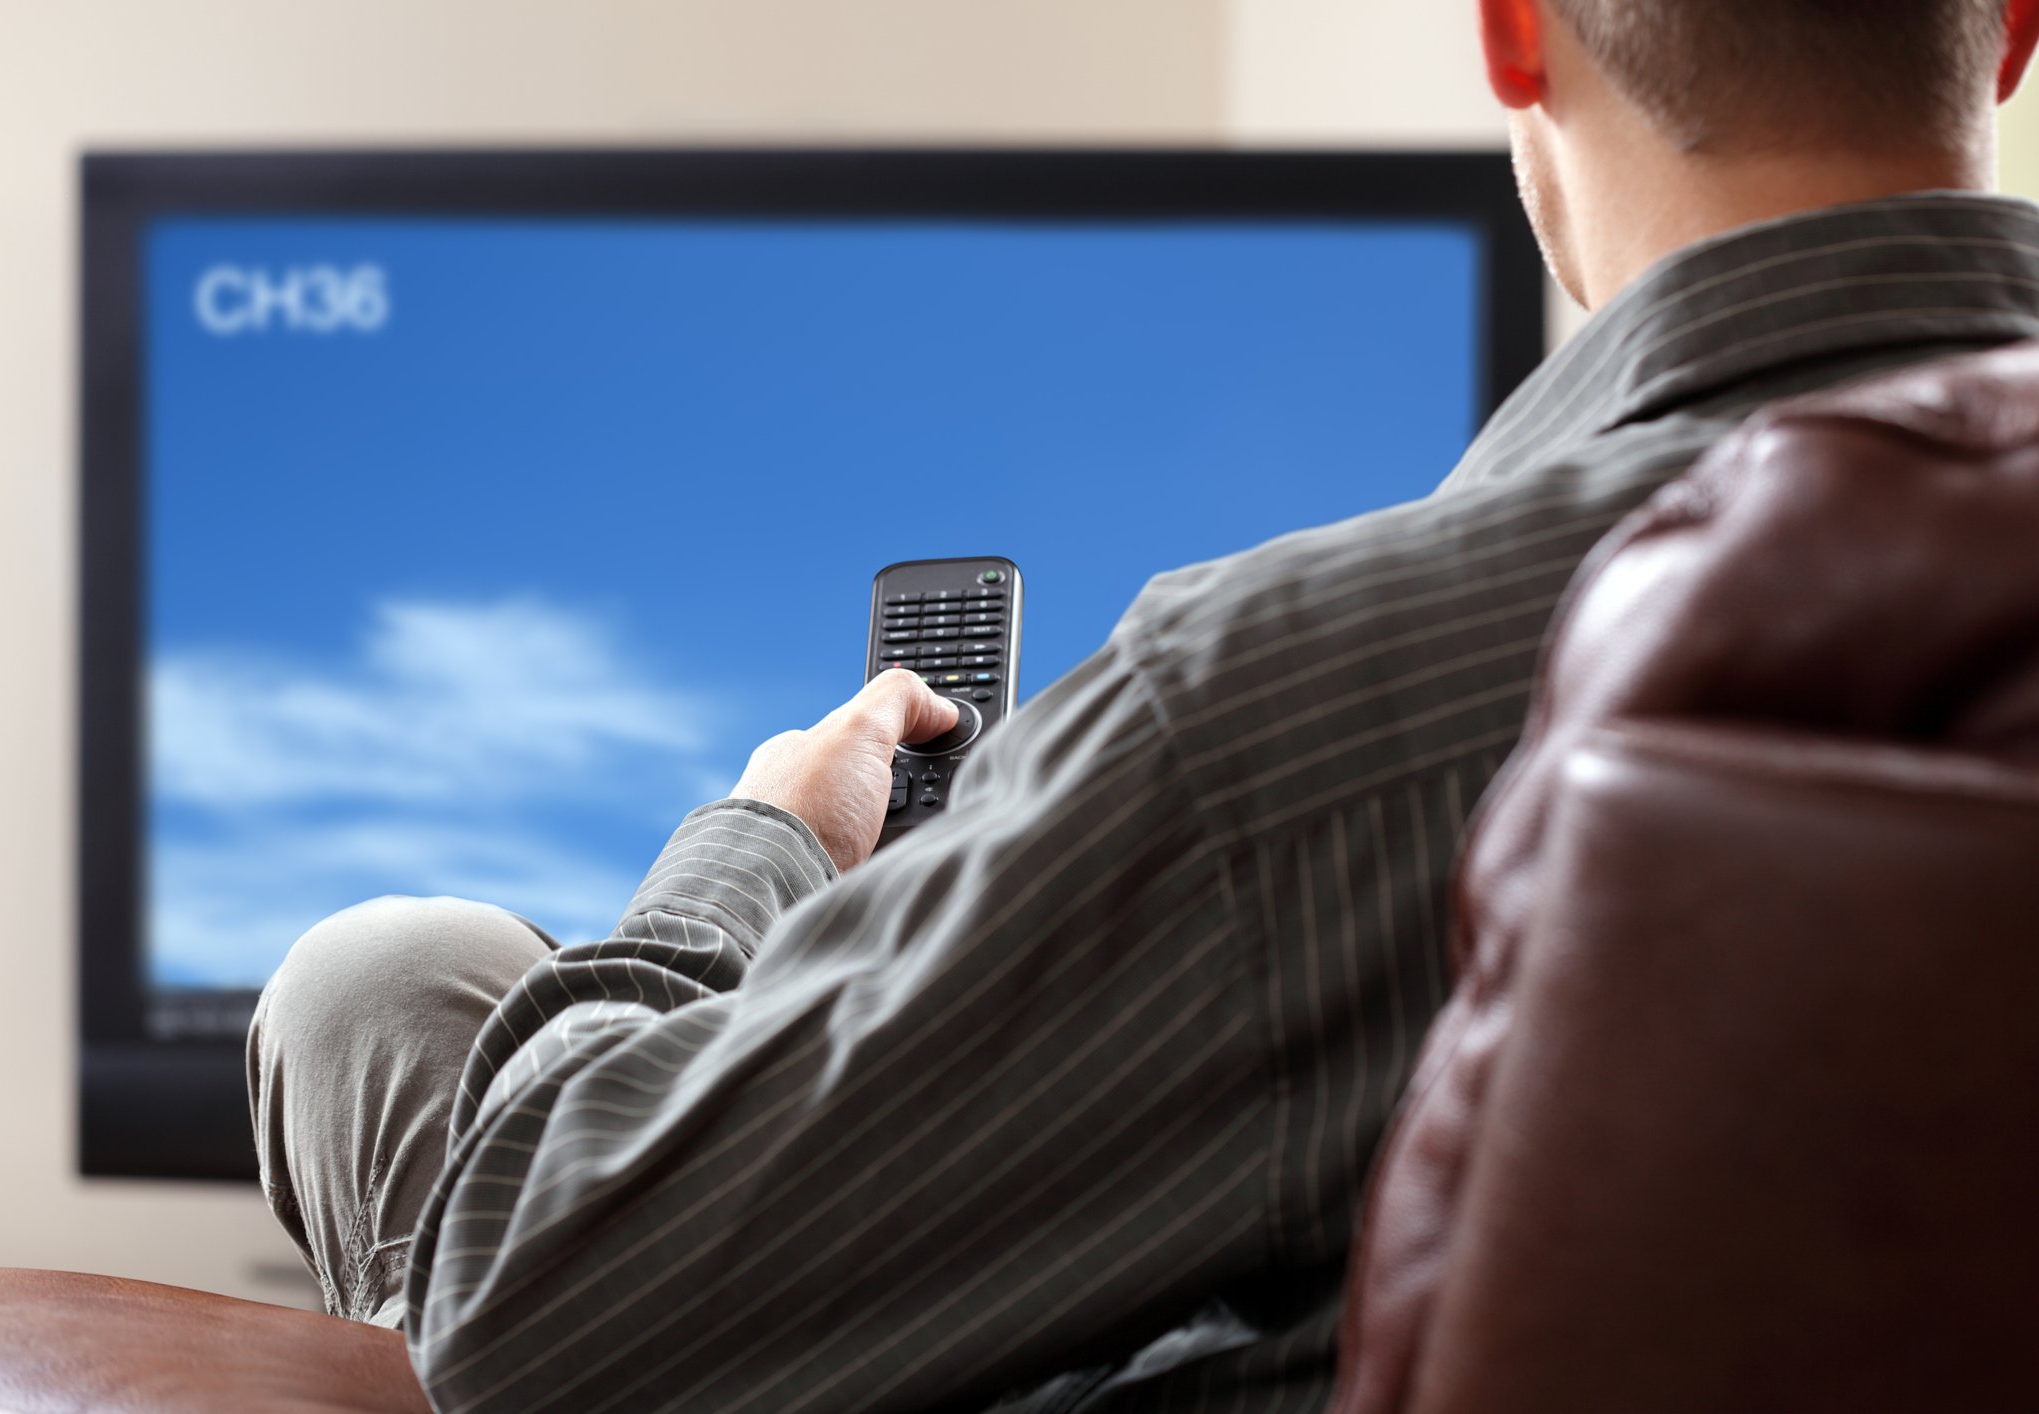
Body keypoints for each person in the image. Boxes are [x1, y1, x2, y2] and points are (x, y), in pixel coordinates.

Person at [249, 1, 2039, 1408]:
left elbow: (535, 1306)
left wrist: (763, 846)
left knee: (379, 986)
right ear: (2012, 30)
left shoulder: (1299, 701)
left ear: (1513, 32)